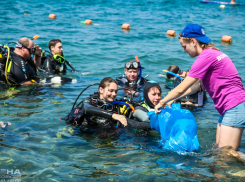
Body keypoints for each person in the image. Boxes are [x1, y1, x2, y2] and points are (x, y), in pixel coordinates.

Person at [155, 24, 245, 151]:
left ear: (193, 41)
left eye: (184, 47)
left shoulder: (205, 57)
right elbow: (195, 87)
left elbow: (181, 88)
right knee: (218, 150)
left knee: (227, 154)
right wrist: (172, 99)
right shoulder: (212, 53)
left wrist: (162, 102)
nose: (184, 51)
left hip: (233, 106)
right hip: (231, 107)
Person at [65, 77, 151, 130]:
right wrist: (113, 115)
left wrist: (157, 125)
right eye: (111, 91)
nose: (114, 94)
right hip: (83, 135)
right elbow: (86, 108)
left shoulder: (116, 107)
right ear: (101, 90)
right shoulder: (90, 102)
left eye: (116, 91)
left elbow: (134, 124)